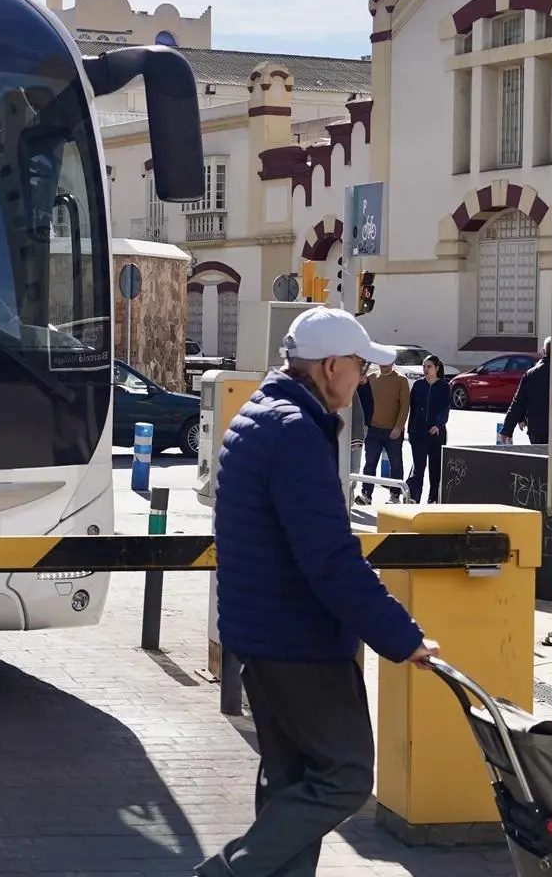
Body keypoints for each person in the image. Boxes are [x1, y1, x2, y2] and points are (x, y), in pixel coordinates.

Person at [200, 307, 439, 877]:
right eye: (359, 367)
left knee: (292, 782)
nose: (363, 380)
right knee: (345, 775)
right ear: (331, 366)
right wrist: (399, 635)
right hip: (297, 641)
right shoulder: (294, 432)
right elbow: (331, 559)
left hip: (261, 635)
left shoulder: (259, 415)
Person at [406, 355, 452, 503]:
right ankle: (414, 497)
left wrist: (438, 424)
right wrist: (411, 430)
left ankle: (433, 498)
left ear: (437, 368)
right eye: (424, 366)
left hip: (436, 434)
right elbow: (412, 409)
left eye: (429, 366)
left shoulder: (444, 387)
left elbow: (445, 409)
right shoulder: (419, 385)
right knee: (418, 467)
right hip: (418, 432)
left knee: (435, 467)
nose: (426, 370)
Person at [362, 362, 409, 502]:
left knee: (395, 464)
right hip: (373, 430)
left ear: (392, 363)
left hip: (393, 431)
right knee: (370, 463)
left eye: (387, 362)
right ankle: (366, 494)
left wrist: (399, 427)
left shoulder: (401, 380)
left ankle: (395, 495)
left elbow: (405, 405)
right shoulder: (371, 378)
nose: (384, 365)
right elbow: (363, 401)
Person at [501, 337, 552, 445]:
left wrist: (507, 429)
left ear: (543, 352)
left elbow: (518, 402)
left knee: (539, 459)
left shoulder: (531, 374)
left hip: (537, 429)